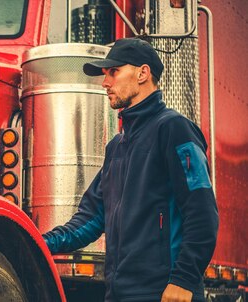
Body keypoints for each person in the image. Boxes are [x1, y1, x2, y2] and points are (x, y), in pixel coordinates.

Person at [42, 38, 218, 302]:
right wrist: (39, 242)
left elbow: (202, 212)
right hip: (119, 294)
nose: (105, 83)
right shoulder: (117, 147)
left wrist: (183, 279)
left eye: (113, 72)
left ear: (142, 73)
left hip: (166, 293)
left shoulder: (174, 130)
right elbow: (89, 220)